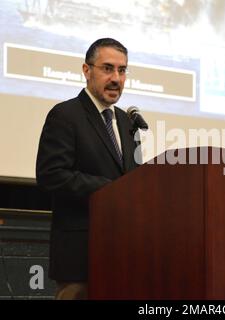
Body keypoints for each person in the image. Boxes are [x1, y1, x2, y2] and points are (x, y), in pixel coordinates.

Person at [36, 38, 140, 299]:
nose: (116, 77)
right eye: (107, 68)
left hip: (122, 255)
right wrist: (112, 190)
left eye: (122, 70)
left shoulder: (127, 123)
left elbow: (133, 181)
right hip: (79, 257)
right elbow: (52, 175)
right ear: (86, 70)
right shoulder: (66, 115)